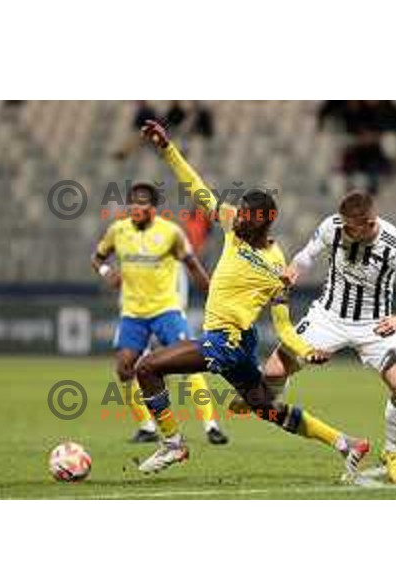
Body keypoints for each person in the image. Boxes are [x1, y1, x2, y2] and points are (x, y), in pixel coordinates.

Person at [133, 119, 370, 475]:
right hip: (237, 342)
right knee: (262, 406)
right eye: (240, 211)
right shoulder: (233, 225)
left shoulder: (276, 267)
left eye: (246, 215)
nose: (237, 217)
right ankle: (344, 443)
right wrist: (167, 149)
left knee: (146, 367)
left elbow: (284, 326)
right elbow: (196, 188)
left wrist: (306, 352)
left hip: (227, 341)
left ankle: (172, 445)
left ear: (263, 223)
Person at [262, 191, 396, 484]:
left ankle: (392, 453)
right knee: (272, 371)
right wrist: (293, 271)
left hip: (374, 325)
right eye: (343, 225)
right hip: (328, 317)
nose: (345, 231)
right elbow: (306, 255)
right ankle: (266, 402)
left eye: (351, 227)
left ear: (369, 223)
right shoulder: (333, 227)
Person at [91, 181, 228, 445]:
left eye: (142, 201)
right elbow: (97, 257)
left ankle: (211, 426)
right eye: (132, 200)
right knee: (124, 368)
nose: (136, 206)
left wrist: (211, 292)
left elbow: (191, 263)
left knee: (189, 363)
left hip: (166, 309)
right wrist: (107, 272)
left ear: (153, 208)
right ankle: (147, 427)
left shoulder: (170, 232)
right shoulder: (117, 231)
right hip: (133, 312)